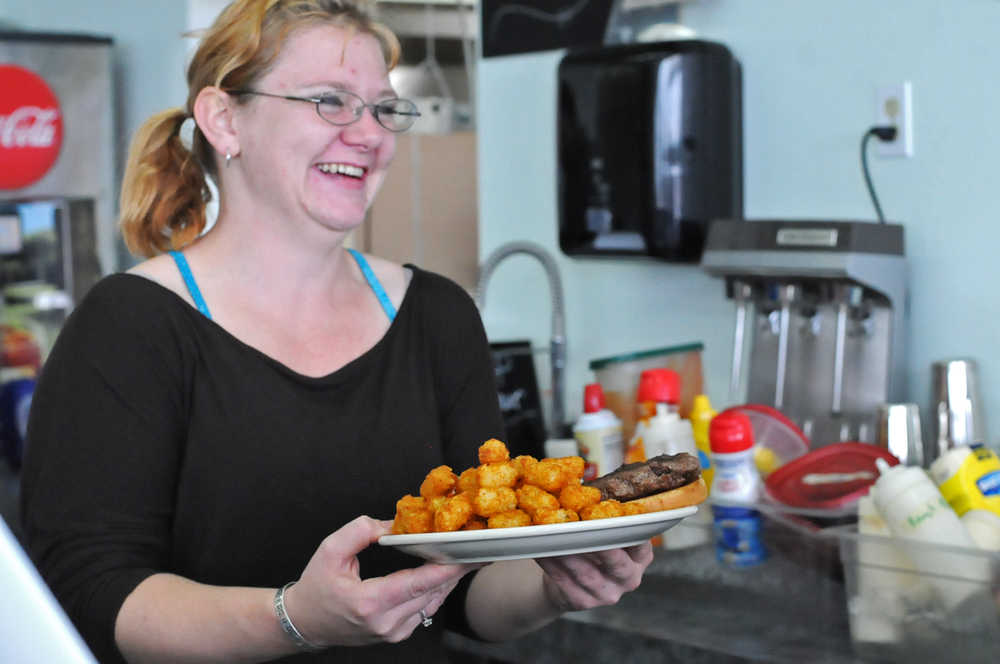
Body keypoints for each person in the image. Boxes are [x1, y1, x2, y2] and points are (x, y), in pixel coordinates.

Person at [19, 1, 654, 662]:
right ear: (224, 118)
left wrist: (556, 583)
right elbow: (91, 595)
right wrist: (296, 618)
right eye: (330, 101)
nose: (370, 134)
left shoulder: (436, 316)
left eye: (383, 108)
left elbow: (470, 591)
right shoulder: (130, 326)